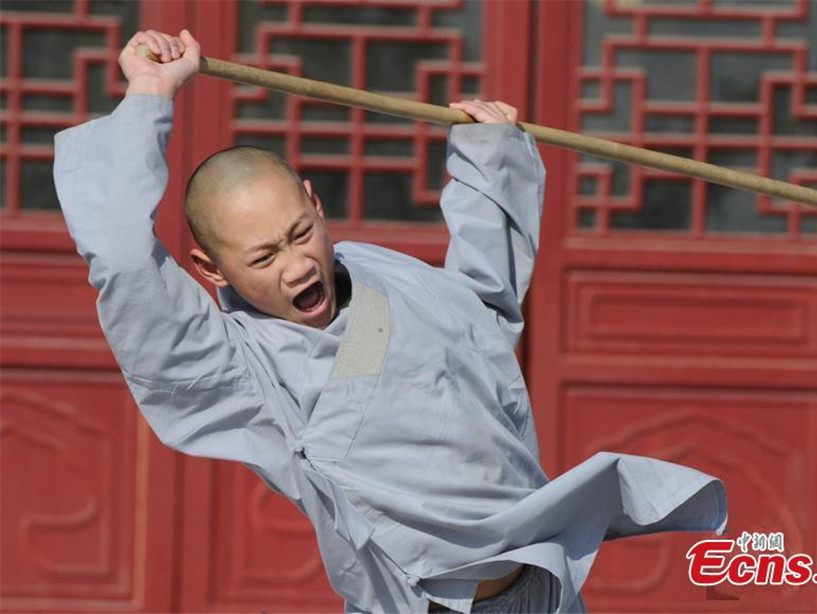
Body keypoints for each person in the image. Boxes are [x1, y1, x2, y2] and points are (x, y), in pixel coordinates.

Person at [54, 29, 727, 614]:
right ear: (212, 269)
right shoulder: (235, 368)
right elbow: (117, 251)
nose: (295, 267)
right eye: (262, 255)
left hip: (545, 585)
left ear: (316, 205)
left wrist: (490, 158)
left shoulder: (378, 274)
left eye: (298, 233)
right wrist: (149, 94)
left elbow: (481, 316)